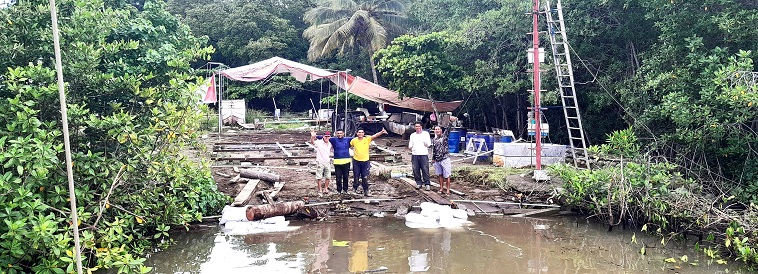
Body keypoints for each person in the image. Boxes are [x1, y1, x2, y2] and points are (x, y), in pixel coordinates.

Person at [349, 127, 387, 196]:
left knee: (365, 177)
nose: (360, 134)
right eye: (359, 132)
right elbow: (348, 146)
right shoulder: (353, 140)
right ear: (357, 133)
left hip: (365, 162)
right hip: (356, 161)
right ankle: (354, 190)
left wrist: (381, 132)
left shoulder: (367, 139)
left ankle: (366, 191)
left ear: (364, 133)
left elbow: (374, 136)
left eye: (362, 132)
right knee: (356, 177)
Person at [328, 129, 353, 194]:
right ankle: (339, 190)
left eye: (341, 133)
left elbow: (357, 138)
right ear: (336, 134)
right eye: (338, 133)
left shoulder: (348, 139)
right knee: (338, 178)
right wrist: (314, 136)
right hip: (337, 162)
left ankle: (345, 190)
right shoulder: (334, 140)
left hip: (346, 162)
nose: (339, 134)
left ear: (343, 134)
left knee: (346, 177)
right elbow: (324, 137)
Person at [408, 122, 431, 190]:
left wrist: (425, 143)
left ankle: (427, 183)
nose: (417, 128)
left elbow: (429, 144)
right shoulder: (412, 135)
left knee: (425, 169)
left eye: (419, 126)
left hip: (423, 154)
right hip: (415, 154)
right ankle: (419, 183)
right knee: (415, 169)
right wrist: (411, 147)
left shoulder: (425, 134)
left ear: (421, 127)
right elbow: (410, 145)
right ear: (415, 127)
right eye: (416, 126)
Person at [310, 129, 333, 196]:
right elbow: (313, 142)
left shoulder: (330, 144)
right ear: (323, 136)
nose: (327, 138)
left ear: (330, 137)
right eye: (325, 136)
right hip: (320, 161)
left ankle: (325, 188)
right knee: (319, 177)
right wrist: (312, 137)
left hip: (327, 161)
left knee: (328, 176)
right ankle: (320, 189)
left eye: (328, 136)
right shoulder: (319, 142)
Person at [432, 126, 452, 195]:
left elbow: (448, 130)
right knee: (439, 175)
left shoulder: (444, 137)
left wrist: (450, 123)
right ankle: (441, 188)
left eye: (438, 129)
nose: (437, 130)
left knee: (447, 175)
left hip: (445, 158)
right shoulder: (434, 139)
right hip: (437, 159)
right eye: (436, 129)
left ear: (441, 130)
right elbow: (434, 150)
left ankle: (448, 190)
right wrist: (433, 159)